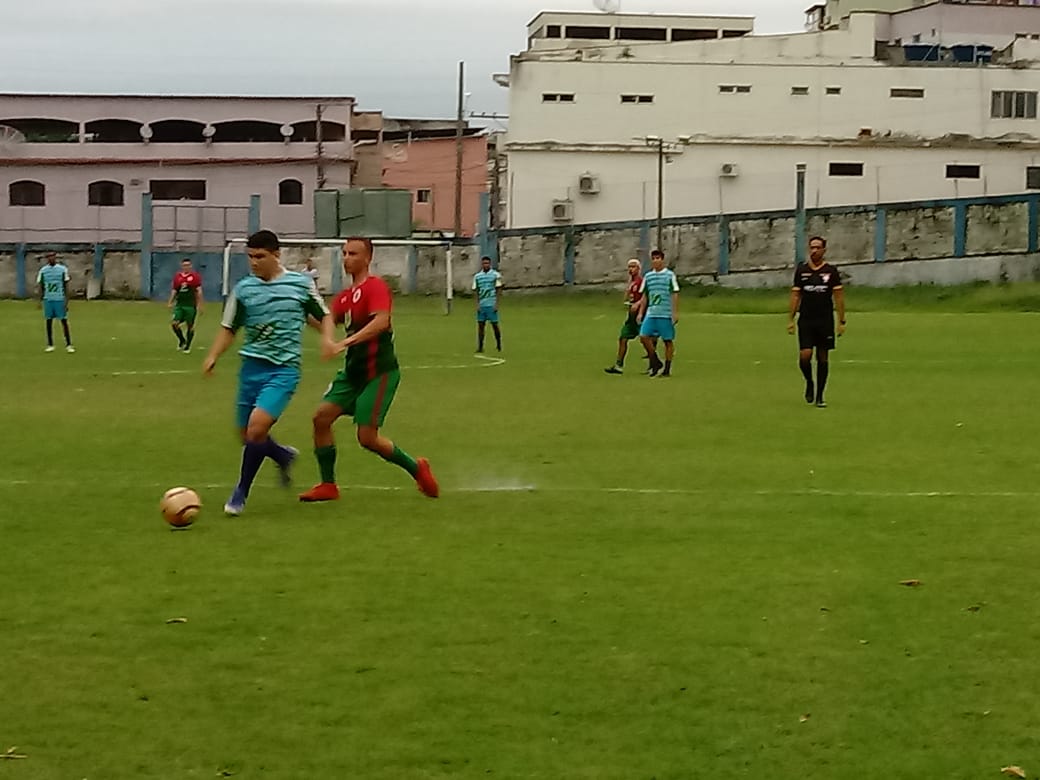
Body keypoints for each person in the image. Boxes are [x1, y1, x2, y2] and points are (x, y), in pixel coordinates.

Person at [202, 230, 335, 516]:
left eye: (260, 257)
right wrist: (213, 355)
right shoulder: (244, 289)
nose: (254, 262)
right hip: (251, 369)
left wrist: (327, 338)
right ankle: (282, 455)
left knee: (257, 428)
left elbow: (324, 315)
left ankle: (241, 492)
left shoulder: (300, 284)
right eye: (250, 257)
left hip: (283, 371)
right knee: (247, 435)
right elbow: (229, 328)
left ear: (276, 255)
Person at [299, 237, 439, 503]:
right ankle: (328, 485)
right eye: (344, 253)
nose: (346, 258)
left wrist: (343, 343)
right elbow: (327, 321)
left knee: (367, 437)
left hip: (380, 373)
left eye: (353, 253)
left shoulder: (376, 287)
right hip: (353, 374)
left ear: (367, 258)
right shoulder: (345, 296)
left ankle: (416, 468)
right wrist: (300, 309)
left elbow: (381, 322)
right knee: (320, 419)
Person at [788, 235, 846, 408]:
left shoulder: (831, 271)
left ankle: (820, 395)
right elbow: (796, 295)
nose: (814, 251)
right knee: (805, 357)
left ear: (824, 250)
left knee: (823, 357)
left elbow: (839, 297)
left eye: (817, 247)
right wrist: (790, 318)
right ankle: (809, 383)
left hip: (824, 320)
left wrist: (841, 321)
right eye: (811, 247)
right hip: (806, 320)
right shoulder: (802, 270)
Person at [637, 249, 679, 377]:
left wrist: (674, 312)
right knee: (644, 336)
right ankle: (655, 361)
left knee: (667, 341)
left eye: (658, 258)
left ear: (662, 260)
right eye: (653, 258)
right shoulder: (648, 276)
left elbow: (674, 293)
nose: (655, 261)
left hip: (665, 313)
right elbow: (645, 295)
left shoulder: (669, 275)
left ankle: (667, 368)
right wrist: (640, 313)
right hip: (651, 312)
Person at [604, 258, 644, 375]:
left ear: (638, 268)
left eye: (633, 267)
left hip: (640, 315)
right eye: (629, 267)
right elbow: (627, 296)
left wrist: (638, 305)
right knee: (623, 338)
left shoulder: (641, 282)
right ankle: (619, 365)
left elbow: (646, 296)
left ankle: (655, 362)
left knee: (646, 340)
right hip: (631, 316)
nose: (631, 269)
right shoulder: (631, 282)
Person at [37, 252, 74, 353]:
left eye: (53, 257)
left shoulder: (62, 269)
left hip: (59, 299)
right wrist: (39, 300)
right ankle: (50, 344)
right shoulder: (43, 271)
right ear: (47, 259)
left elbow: (66, 285)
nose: (51, 259)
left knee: (63, 321)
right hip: (48, 299)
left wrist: (66, 301)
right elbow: (41, 286)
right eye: (49, 257)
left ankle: (69, 344)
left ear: (55, 258)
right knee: (49, 322)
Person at [168, 258, 203, 353]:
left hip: (190, 305)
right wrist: (170, 302)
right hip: (179, 305)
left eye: (188, 265)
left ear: (191, 266)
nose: (186, 267)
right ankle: (182, 340)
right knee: (174, 323)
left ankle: (188, 346)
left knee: (190, 326)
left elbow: (199, 291)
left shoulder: (195, 277)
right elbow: (174, 290)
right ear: (182, 266)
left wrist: (200, 305)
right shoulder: (178, 277)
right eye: (184, 265)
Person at [472, 256, 503, 353]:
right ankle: (480, 346)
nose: (485, 265)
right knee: (481, 326)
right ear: (482, 264)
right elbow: (476, 291)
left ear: (490, 264)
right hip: (482, 304)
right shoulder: (477, 276)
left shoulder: (495, 275)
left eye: (487, 263)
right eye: (484, 263)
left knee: (495, 325)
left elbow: (499, 289)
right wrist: (477, 304)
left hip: (491, 303)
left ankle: (499, 344)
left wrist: (496, 304)